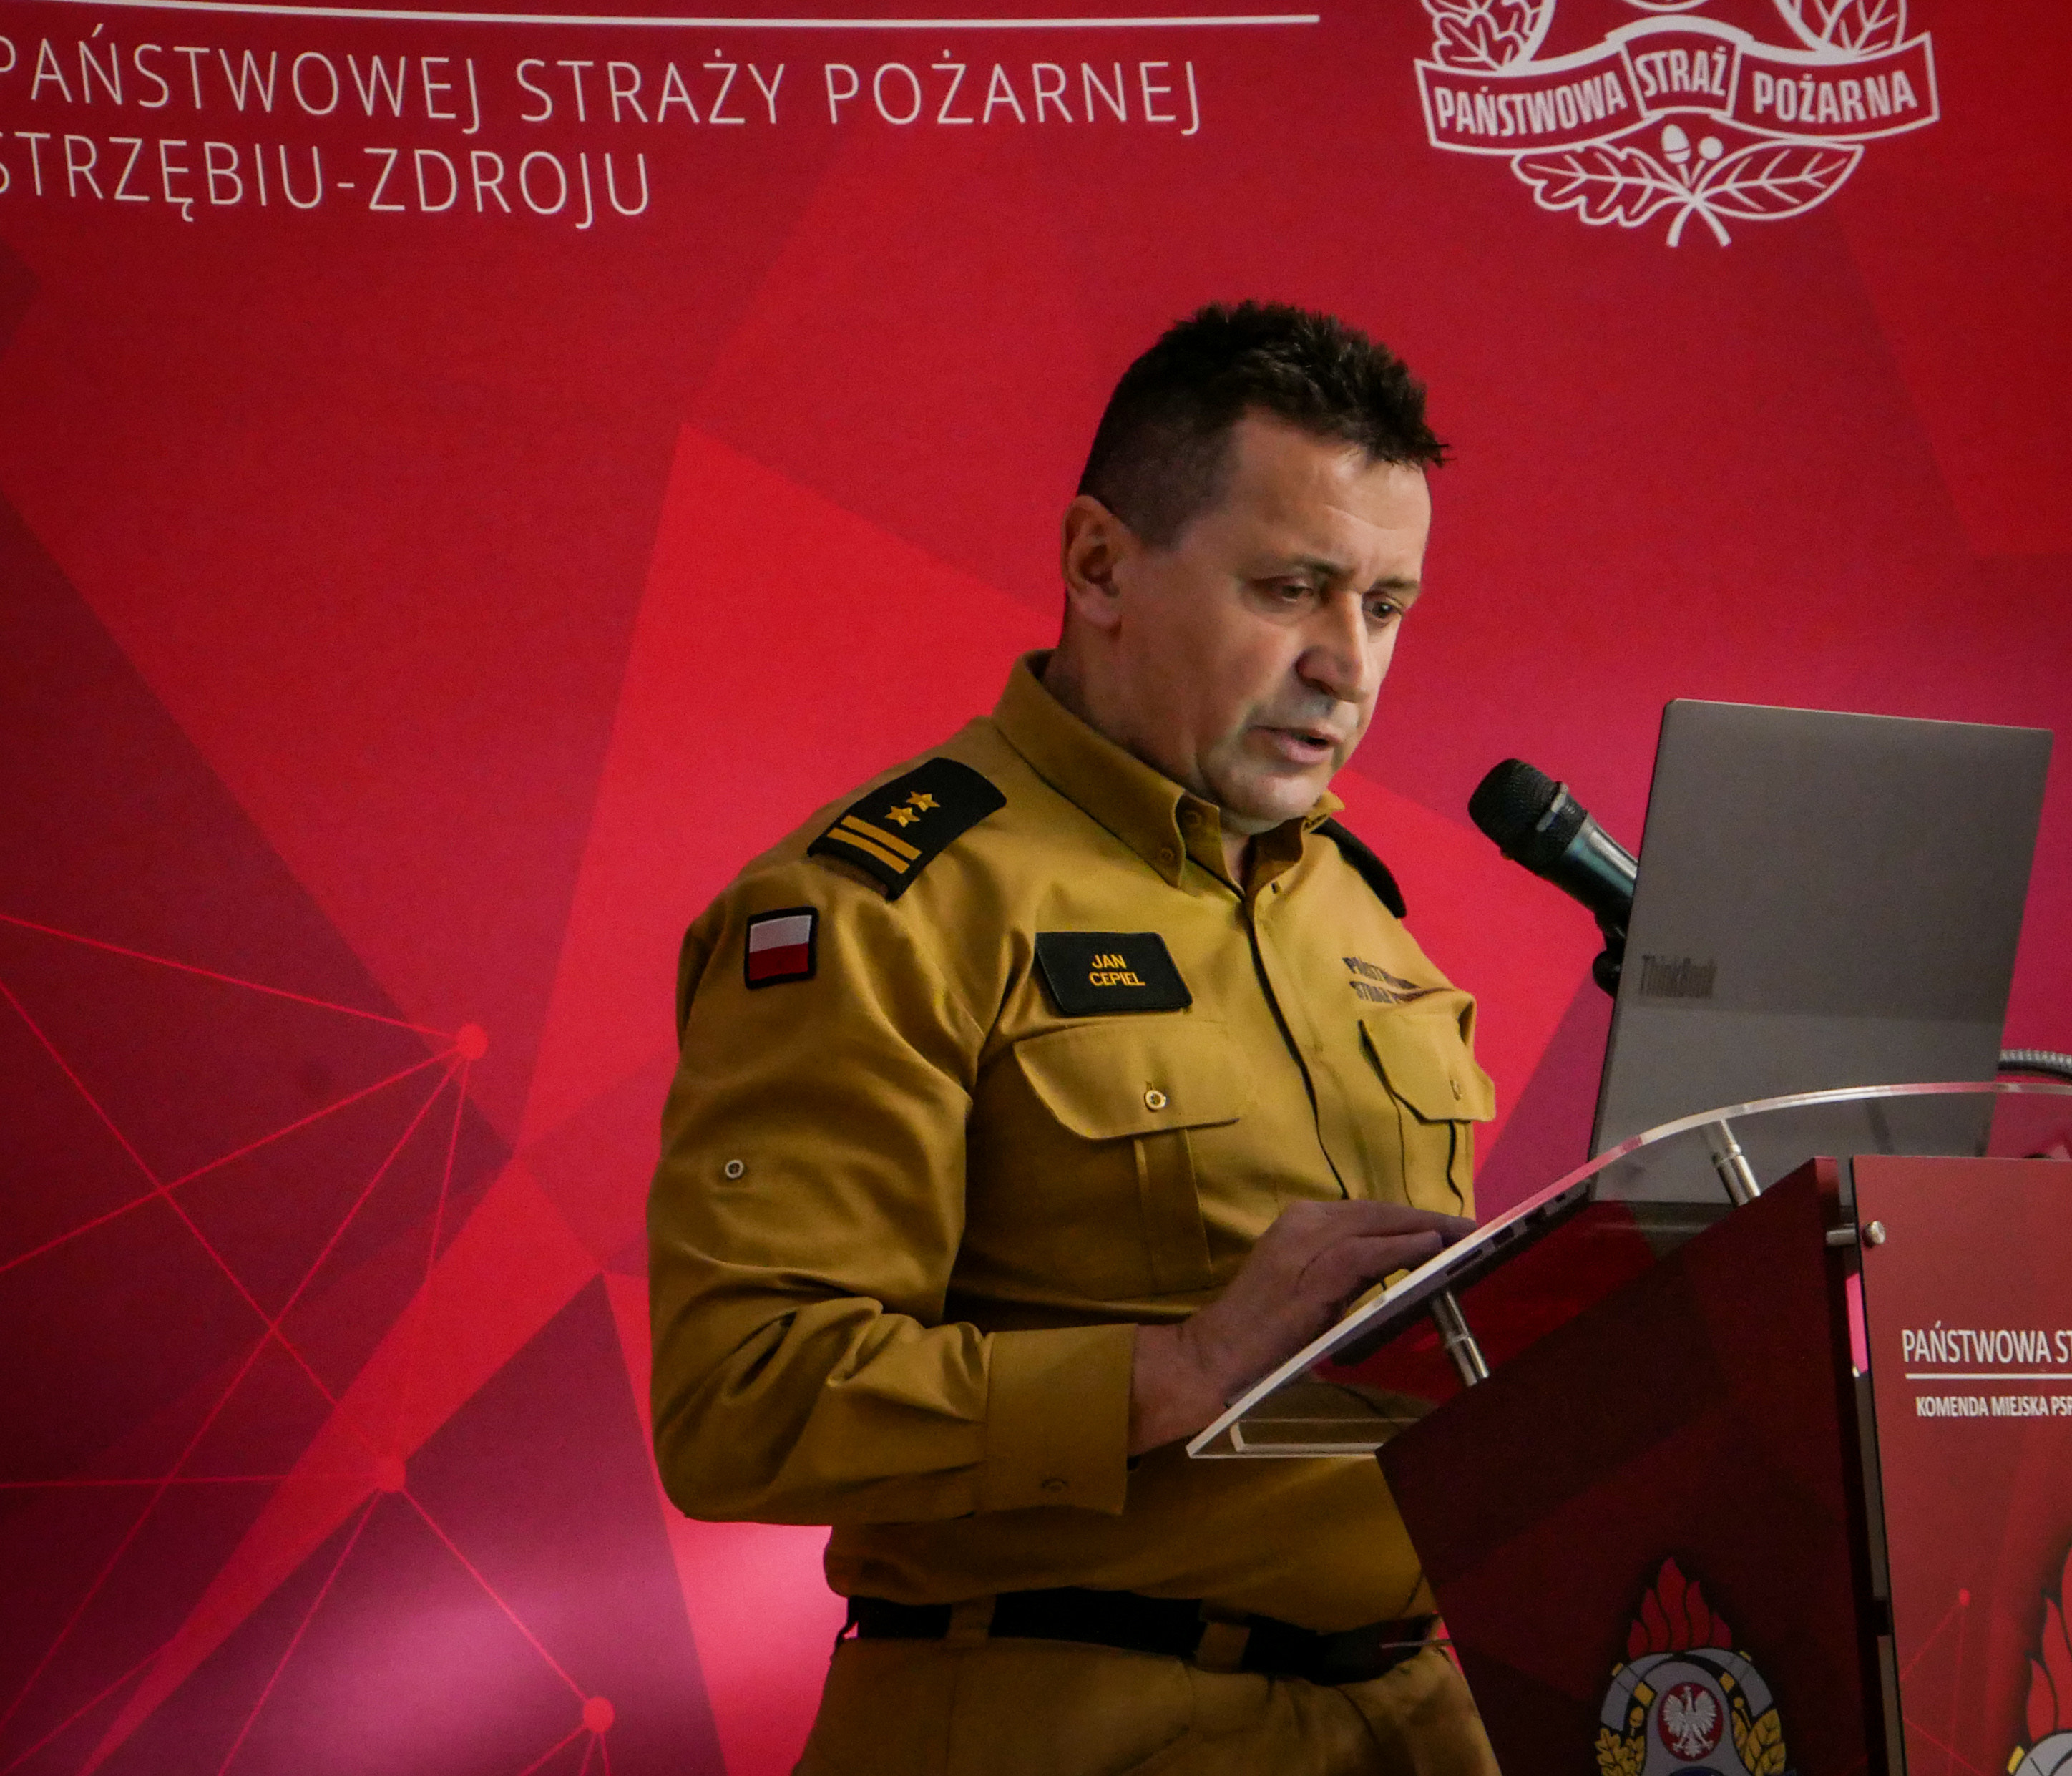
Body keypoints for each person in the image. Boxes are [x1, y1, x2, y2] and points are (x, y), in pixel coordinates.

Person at [648, 301, 1502, 1775]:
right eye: (1291, 589)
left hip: (1423, 1725)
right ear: (1099, 565)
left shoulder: (1355, 908)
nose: (1346, 664)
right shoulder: (879, 905)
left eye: (1386, 606)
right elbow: (742, 1398)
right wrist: (1171, 1368)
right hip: (1067, 1725)